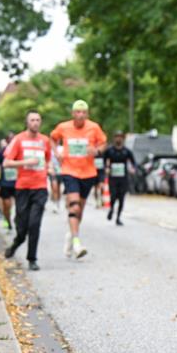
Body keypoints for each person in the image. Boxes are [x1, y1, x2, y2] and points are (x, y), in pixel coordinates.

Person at [49, 100, 107, 259]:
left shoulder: (94, 127)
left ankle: (71, 235)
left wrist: (97, 151)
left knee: (79, 210)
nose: (80, 115)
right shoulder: (64, 127)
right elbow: (52, 138)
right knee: (74, 207)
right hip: (69, 171)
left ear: (87, 114)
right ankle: (76, 243)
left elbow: (103, 143)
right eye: (78, 112)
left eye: (83, 112)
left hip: (88, 173)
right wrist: (57, 153)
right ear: (73, 113)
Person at [3, 111, 52, 271]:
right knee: (22, 228)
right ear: (27, 122)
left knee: (34, 224)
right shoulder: (18, 139)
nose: (35, 123)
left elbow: (48, 160)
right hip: (23, 187)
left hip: (40, 187)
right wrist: (26, 162)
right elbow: (6, 163)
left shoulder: (45, 141)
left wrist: (50, 168)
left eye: (38, 120)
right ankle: (16, 243)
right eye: (32, 120)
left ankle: (32, 259)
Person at [103, 131, 136, 225]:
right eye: (117, 137)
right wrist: (106, 168)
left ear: (123, 139)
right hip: (113, 177)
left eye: (120, 137)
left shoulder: (126, 151)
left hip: (123, 178)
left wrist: (133, 169)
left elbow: (133, 162)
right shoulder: (110, 150)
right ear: (114, 139)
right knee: (113, 195)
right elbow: (104, 160)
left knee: (121, 198)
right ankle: (111, 209)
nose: (118, 139)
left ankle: (118, 218)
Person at [0, 135, 16, 231]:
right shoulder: (2, 152)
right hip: (5, 182)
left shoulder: (20, 150)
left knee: (20, 204)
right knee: (6, 205)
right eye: (10, 139)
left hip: (18, 181)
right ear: (7, 141)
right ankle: (7, 221)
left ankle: (17, 218)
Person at [49, 143, 63, 213]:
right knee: (54, 187)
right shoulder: (49, 148)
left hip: (60, 169)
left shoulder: (62, 148)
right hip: (52, 170)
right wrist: (50, 167)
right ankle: (54, 203)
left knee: (58, 188)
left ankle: (58, 202)